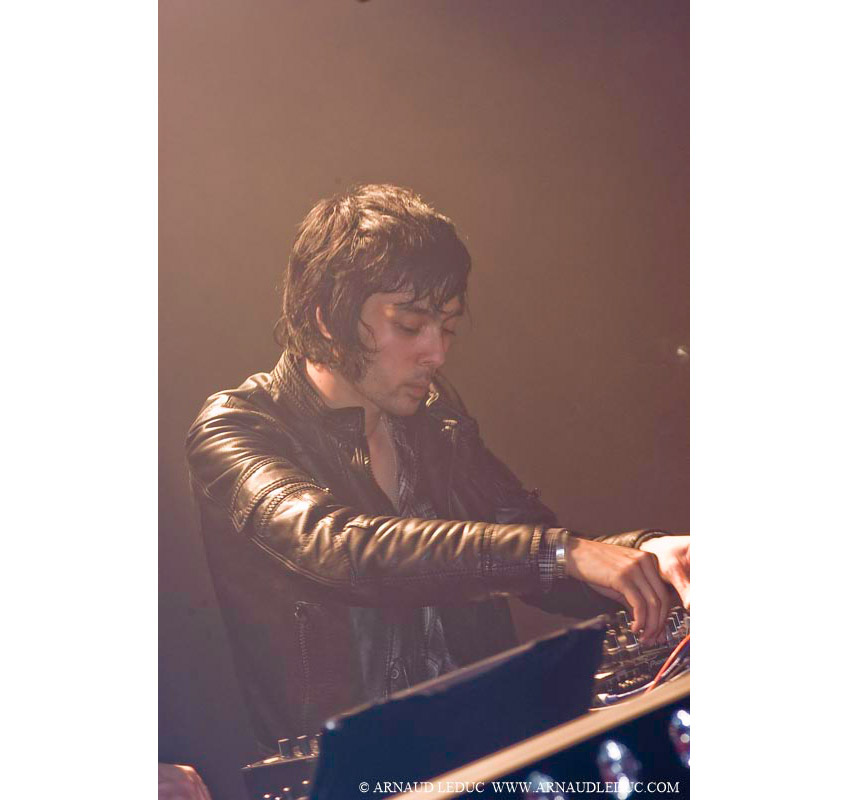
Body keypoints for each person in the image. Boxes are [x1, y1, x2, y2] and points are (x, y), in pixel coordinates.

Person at [186, 183, 690, 754]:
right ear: (328, 317)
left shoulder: (434, 418)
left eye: (446, 327)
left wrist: (650, 554)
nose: (437, 352)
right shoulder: (237, 428)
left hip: (488, 749)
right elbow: (339, 548)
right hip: (357, 776)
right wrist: (558, 552)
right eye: (410, 325)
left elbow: (527, 545)